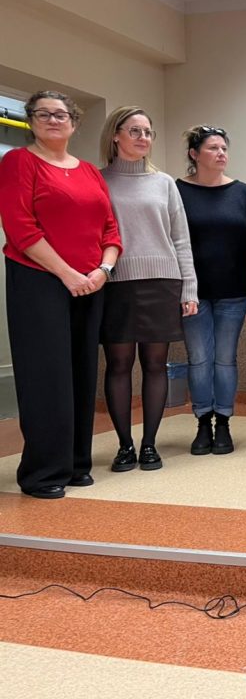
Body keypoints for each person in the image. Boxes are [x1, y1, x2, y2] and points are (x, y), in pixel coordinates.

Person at [0, 91, 121, 498]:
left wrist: (102, 270)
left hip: (91, 282)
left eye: (61, 114)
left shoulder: (88, 171)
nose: (53, 120)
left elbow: (110, 229)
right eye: (43, 114)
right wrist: (68, 274)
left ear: (74, 122)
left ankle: (75, 463)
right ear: (31, 121)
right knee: (46, 376)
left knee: (82, 373)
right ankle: (42, 472)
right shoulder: (19, 162)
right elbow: (20, 227)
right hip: (39, 281)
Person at [99, 106, 199, 473]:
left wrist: (189, 289)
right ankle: (124, 446)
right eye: (135, 131)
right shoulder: (98, 180)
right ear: (115, 135)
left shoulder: (165, 183)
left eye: (148, 132)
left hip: (162, 281)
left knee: (156, 365)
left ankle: (149, 445)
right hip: (116, 283)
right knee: (119, 365)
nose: (143, 138)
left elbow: (181, 240)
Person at [177, 126, 246, 456]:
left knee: (225, 359)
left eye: (224, 148)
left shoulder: (241, 192)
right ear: (194, 154)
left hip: (234, 291)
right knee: (199, 359)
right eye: (213, 148)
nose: (221, 153)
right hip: (193, 293)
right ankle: (202, 421)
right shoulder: (178, 190)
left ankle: (223, 421)